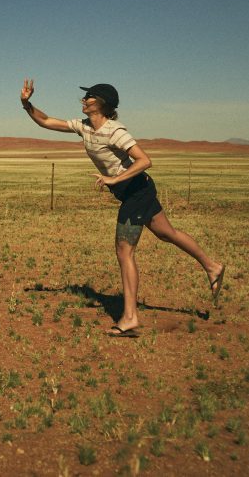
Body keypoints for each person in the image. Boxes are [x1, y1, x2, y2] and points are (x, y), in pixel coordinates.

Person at [20, 79, 224, 337]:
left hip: (137, 191)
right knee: (166, 233)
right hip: (137, 191)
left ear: (102, 103)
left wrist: (115, 179)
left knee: (124, 250)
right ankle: (212, 266)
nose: (84, 100)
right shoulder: (84, 127)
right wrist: (27, 104)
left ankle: (129, 318)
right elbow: (48, 121)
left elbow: (144, 160)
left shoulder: (115, 131)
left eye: (90, 97)